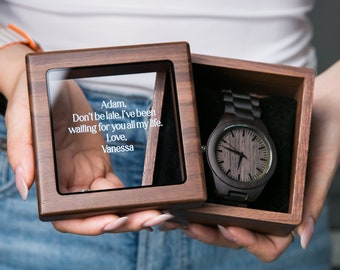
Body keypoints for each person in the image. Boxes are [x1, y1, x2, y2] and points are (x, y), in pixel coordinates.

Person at [0, 0, 339, 269]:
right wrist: (15, 64)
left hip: (293, 139)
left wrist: (334, 99)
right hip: (53, 136)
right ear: (207, 148)